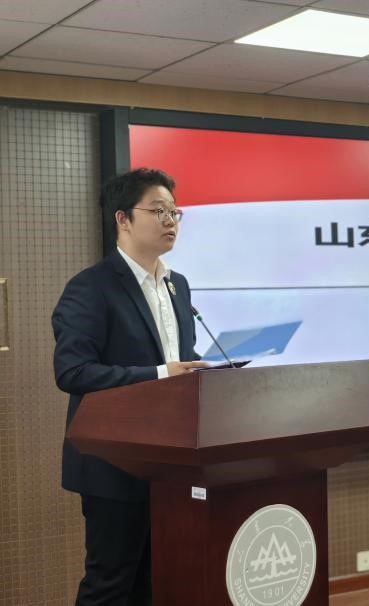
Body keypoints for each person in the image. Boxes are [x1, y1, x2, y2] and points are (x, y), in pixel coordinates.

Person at [52, 168, 208, 605]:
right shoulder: (91, 288)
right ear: (122, 218)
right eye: (158, 211)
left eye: (174, 212)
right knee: (111, 585)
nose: (170, 221)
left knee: (158, 582)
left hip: (172, 461)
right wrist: (161, 374)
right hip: (113, 462)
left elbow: (182, 361)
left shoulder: (177, 285)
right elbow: (73, 372)